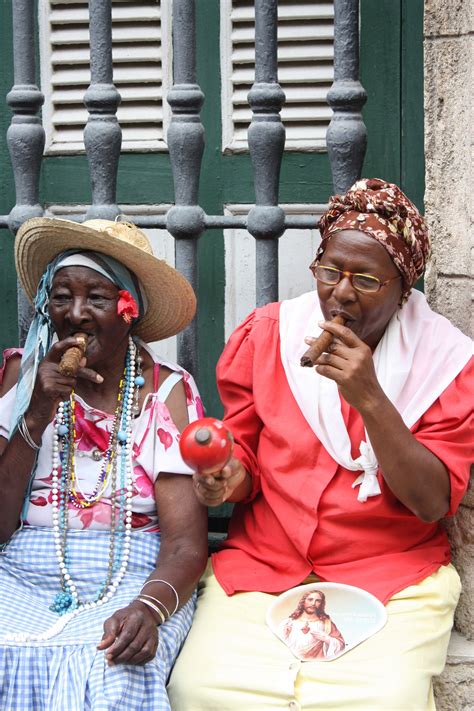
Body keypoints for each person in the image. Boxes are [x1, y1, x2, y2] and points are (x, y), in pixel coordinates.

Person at [168, 179, 474, 710]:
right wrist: (227, 477)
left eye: (367, 280)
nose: (342, 293)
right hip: (265, 566)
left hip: (391, 574)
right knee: (197, 689)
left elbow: (430, 501)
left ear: (404, 288)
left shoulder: (446, 364)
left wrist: (371, 398)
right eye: (330, 272)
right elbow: (246, 462)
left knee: (385, 699)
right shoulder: (270, 337)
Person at [0, 217, 208, 710]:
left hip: (134, 579)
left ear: (128, 309)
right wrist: (35, 414)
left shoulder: (165, 391)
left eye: (96, 298)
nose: (75, 314)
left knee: (116, 666)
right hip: (21, 574)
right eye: (61, 297)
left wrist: (149, 609)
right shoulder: (19, 375)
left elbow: (184, 544)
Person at [279, 590, 345, 661]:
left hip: (315, 663)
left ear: (321, 604)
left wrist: (327, 639)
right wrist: (284, 634)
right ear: (303, 601)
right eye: (310, 600)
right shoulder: (288, 622)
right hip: (289, 660)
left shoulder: (326, 624)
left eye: (318, 601)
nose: (313, 603)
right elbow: (277, 644)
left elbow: (341, 644)